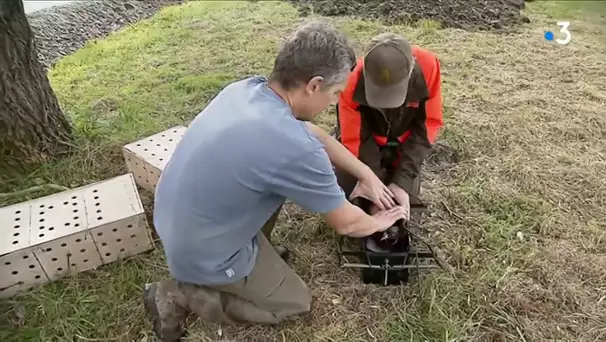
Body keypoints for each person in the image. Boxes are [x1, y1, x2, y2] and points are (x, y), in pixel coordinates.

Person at [144, 21, 409, 341]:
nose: (334, 102)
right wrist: (381, 220)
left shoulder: (245, 90)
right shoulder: (293, 148)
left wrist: (365, 174)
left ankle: (255, 253)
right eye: (335, 93)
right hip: (202, 251)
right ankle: (179, 293)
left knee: (264, 178)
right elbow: (347, 224)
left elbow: (313, 133)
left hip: (179, 220)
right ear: (313, 85)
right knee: (294, 303)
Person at [335, 32, 444, 218]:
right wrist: (373, 184)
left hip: (405, 141)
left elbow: (427, 125)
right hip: (366, 143)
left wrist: (401, 182)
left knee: (405, 194)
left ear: (411, 71)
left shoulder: (428, 68)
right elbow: (355, 138)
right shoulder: (350, 80)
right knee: (348, 193)